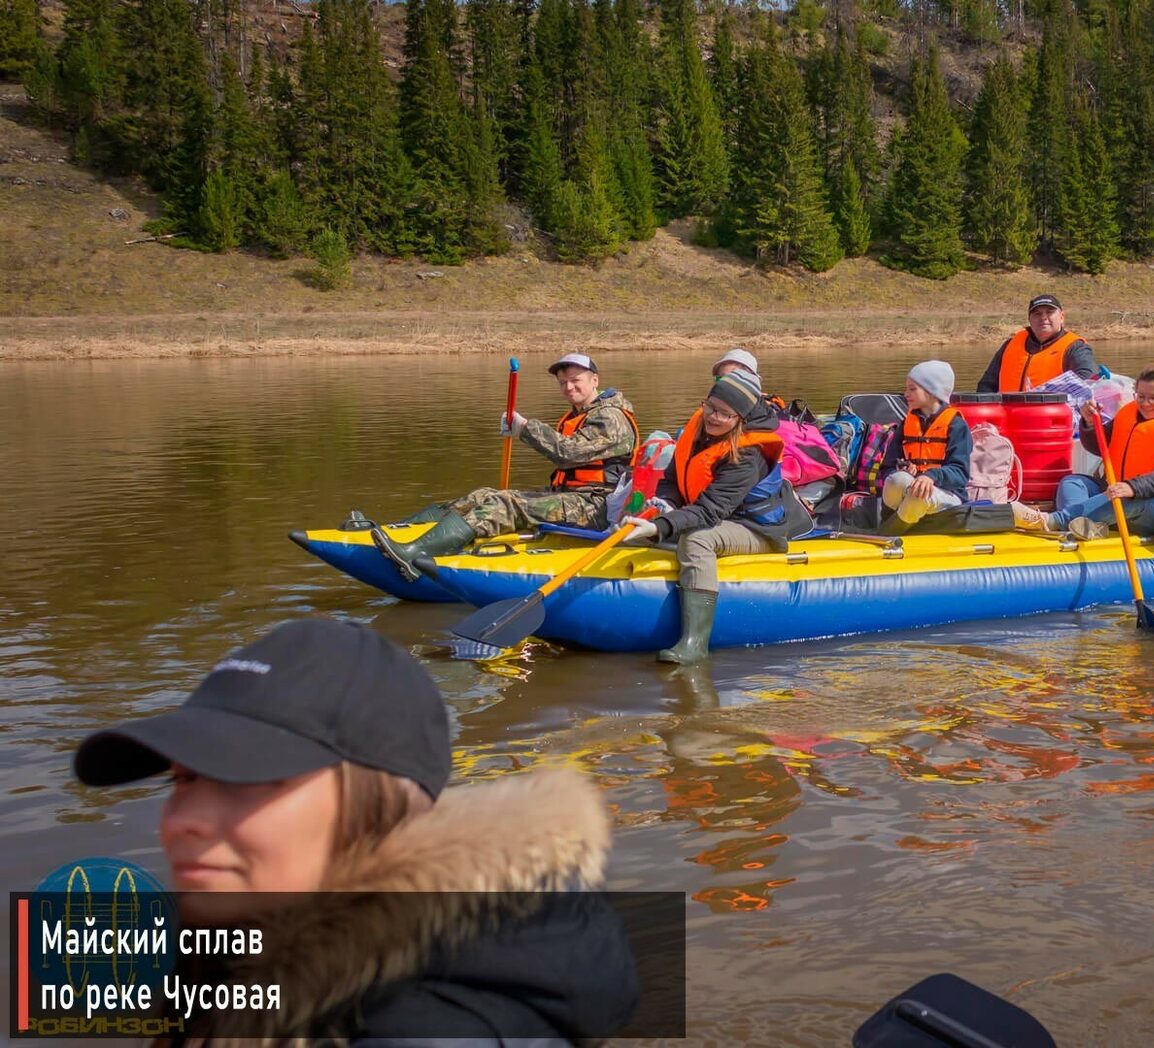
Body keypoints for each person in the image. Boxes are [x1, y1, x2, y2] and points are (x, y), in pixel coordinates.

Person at [71, 618, 639, 1040]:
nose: (179, 822)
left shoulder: (431, 1027)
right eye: (185, 779)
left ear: (376, 801)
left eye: (248, 778)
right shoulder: (237, 944)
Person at [367, 352, 638, 582]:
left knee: (505, 503)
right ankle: (396, 532)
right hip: (575, 497)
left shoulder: (610, 417)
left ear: (595, 380)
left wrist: (524, 429)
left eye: (575, 381)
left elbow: (568, 454)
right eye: (563, 382)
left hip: (596, 506)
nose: (568, 388)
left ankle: (414, 556)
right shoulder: (581, 414)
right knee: (482, 495)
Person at [624, 369, 808, 664]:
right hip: (711, 514)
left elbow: (711, 511)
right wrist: (664, 505)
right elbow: (672, 479)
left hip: (755, 529)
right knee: (637, 531)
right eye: (710, 407)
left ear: (741, 420)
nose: (712, 417)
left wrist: (661, 527)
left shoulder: (748, 455)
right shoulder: (699, 429)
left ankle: (694, 643)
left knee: (697, 539)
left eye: (723, 414)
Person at [1013, 365, 1154, 538]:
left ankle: (1054, 521)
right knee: (1074, 482)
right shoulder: (1131, 414)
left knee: (1128, 498)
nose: (1145, 404)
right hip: (1121, 493)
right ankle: (1086, 526)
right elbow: (1099, 446)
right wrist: (1089, 424)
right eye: (1141, 396)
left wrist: (1133, 487)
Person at [879, 361, 972, 533]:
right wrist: (902, 470)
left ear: (931, 391)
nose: (906, 394)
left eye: (912, 389)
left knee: (918, 495)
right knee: (896, 480)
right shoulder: (906, 424)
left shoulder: (956, 426)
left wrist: (930, 476)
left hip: (948, 495)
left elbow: (961, 473)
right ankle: (893, 522)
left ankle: (888, 533)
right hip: (913, 490)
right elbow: (886, 469)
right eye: (906, 389)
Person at [976, 294, 1100, 393]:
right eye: (1037, 314)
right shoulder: (1010, 344)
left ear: (1062, 317)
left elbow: (1089, 382)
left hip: (1052, 419)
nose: (1043, 317)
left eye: (1050, 312)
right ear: (1029, 319)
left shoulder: (1075, 347)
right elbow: (986, 385)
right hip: (1007, 418)